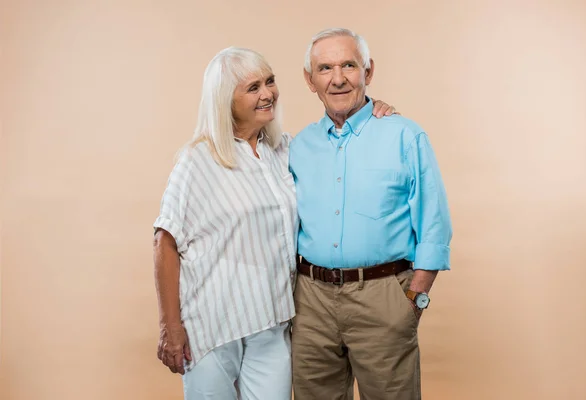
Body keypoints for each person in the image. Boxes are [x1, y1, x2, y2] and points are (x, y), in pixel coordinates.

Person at [152, 46, 395, 400]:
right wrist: (170, 327)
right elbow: (165, 242)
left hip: (273, 321)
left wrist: (371, 111)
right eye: (253, 88)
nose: (268, 94)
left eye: (269, 82)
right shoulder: (198, 159)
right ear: (224, 100)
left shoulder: (284, 151)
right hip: (211, 326)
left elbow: (341, 148)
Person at [289, 28, 453, 400]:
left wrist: (414, 301)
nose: (338, 78)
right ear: (309, 80)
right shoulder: (297, 146)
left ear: (368, 71)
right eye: (325, 68)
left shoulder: (404, 136)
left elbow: (434, 223)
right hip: (310, 301)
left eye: (349, 65)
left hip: (384, 297)